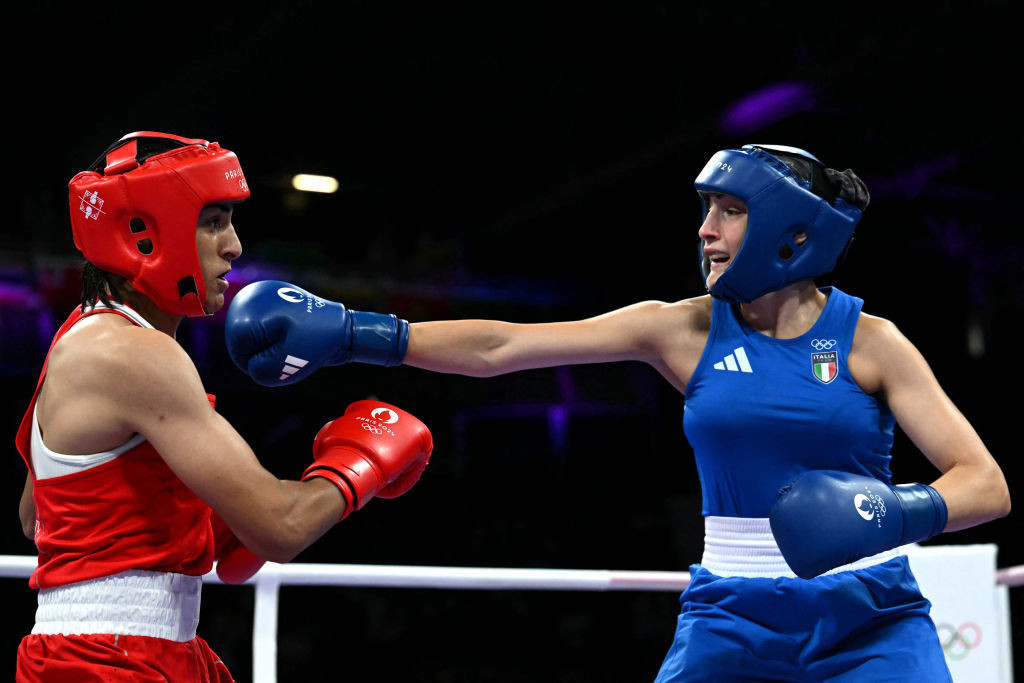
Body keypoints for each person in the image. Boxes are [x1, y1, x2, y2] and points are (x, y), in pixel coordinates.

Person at [223, 143, 1010, 680]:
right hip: (732, 616)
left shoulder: (874, 341)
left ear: (789, 227)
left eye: (729, 210)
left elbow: (985, 482)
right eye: (706, 209)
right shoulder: (684, 328)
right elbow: (503, 345)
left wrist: (893, 508)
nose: (705, 230)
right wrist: (364, 332)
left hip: (871, 614)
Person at [14, 131, 434, 682]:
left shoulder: (81, 338)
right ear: (144, 235)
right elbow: (281, 527)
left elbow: (37, 517)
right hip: (111, 657)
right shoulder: (135, 354)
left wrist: (197, 517)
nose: (233, 246)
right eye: (212, 222)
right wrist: (361, 462)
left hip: (118, 649)